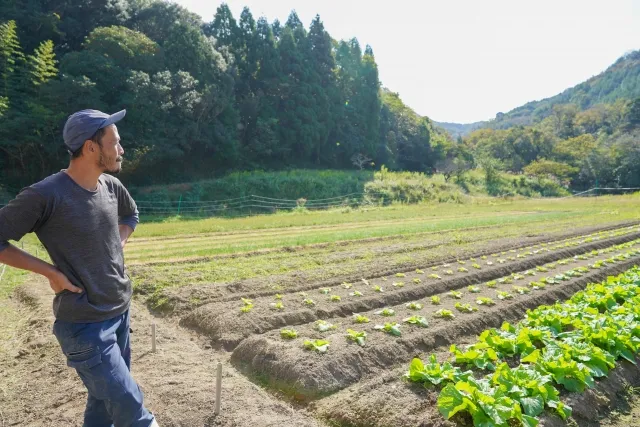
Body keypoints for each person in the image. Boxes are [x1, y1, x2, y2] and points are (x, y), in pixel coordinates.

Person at [0, 109, 158, 427]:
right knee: (131, 407)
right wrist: (51, 272)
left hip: (119, 313)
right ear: (90, 147)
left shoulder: (111, 187)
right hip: (85, 326)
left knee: (102, 406)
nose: (121, 149)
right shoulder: (46, 195)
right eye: (115, 142)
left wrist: (118, 242)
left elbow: (131, 215)